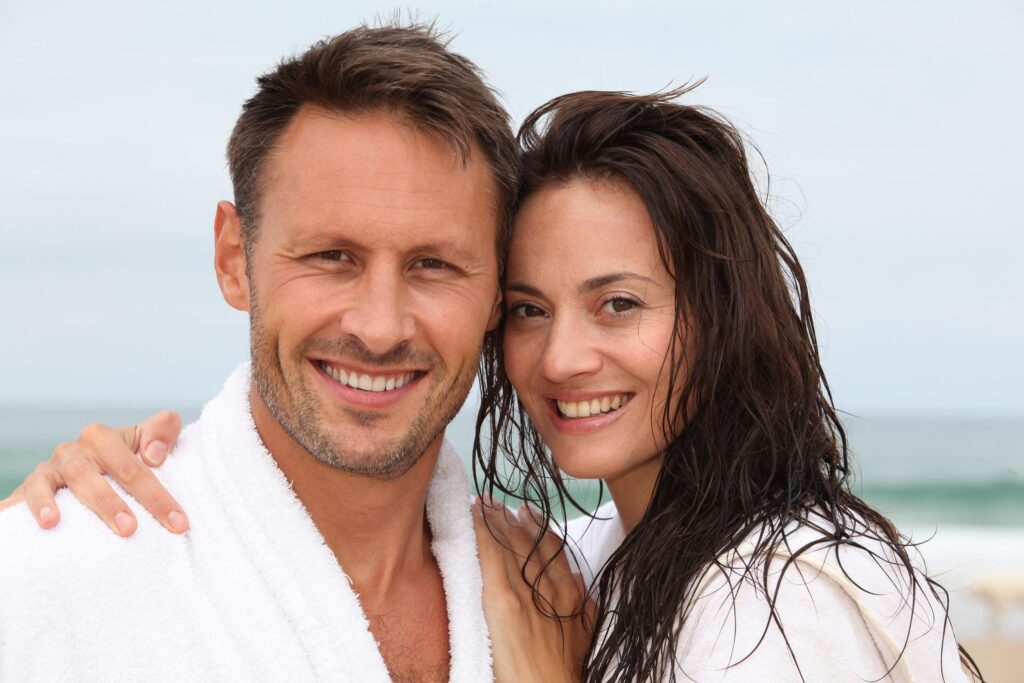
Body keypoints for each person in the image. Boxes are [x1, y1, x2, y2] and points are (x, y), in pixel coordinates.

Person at [4, 90, 982, 681]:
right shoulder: (597, 553)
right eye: (527, 307)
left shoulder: (780, 596)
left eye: (617, 305)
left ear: (720, 314)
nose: (560, 358)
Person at [0, 22, 518, 682]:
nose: (382, 328)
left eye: (435, 264)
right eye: (332, 257)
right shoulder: (42, 582)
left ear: (498, 291)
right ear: (232, 260)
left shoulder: (556, 597)